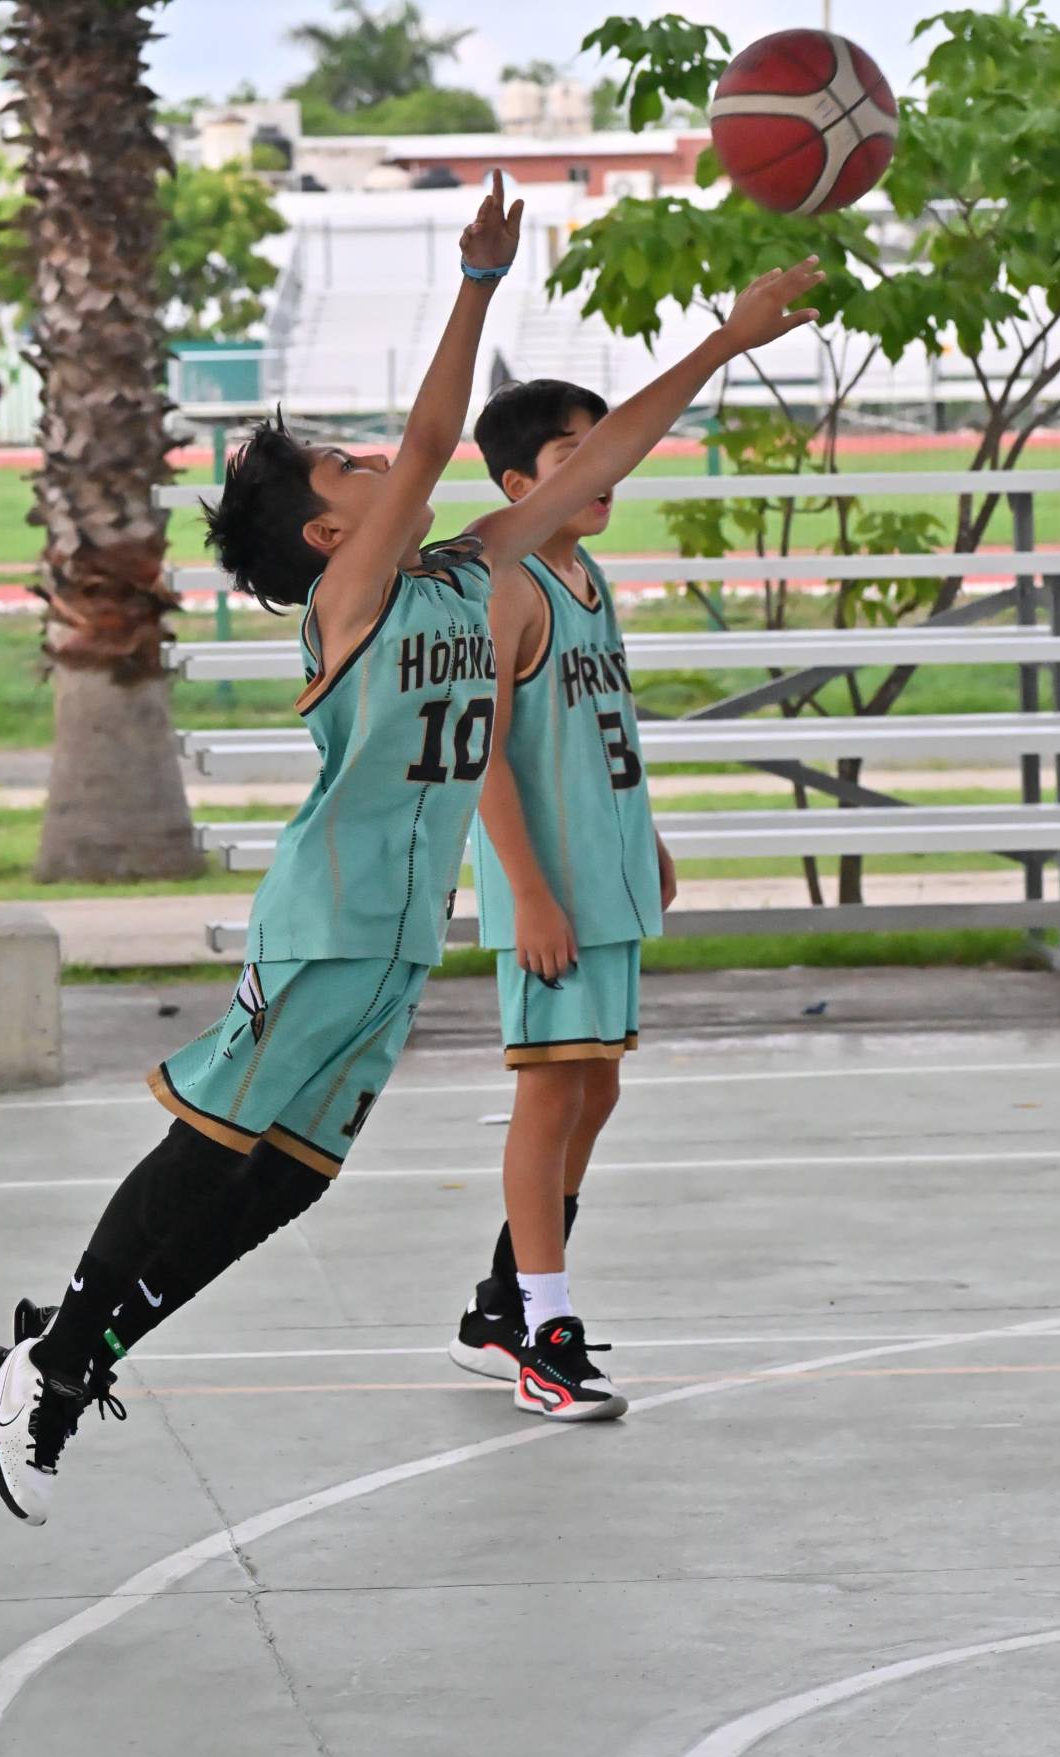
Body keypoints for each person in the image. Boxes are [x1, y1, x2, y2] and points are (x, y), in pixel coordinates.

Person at [0, 191, 825, 1523]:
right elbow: (435, 437)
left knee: (286, 1185)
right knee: (214, 1146)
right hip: (326, 918)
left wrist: (725, 343)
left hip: (396, 942)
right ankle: (55, 1361)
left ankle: (73, 1344)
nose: (379, 466)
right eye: (345, 473)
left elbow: (595, 471)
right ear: (325, 535)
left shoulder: (470, 574)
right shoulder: (348, 596)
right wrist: (478, 282)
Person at [448, 377, 676, 1420]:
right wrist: (529, 892)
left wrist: (649, 835)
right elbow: (482, 752)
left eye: (603, 450)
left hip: (607, 872)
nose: (600, 472)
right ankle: (544, 1333)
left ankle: (503, 1300)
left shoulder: (591, 579)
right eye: (570, 456)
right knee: (552, 1093)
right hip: (555, 889)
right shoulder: (511, 585)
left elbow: (600, 727)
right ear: (513, 484)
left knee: (597, 1089)